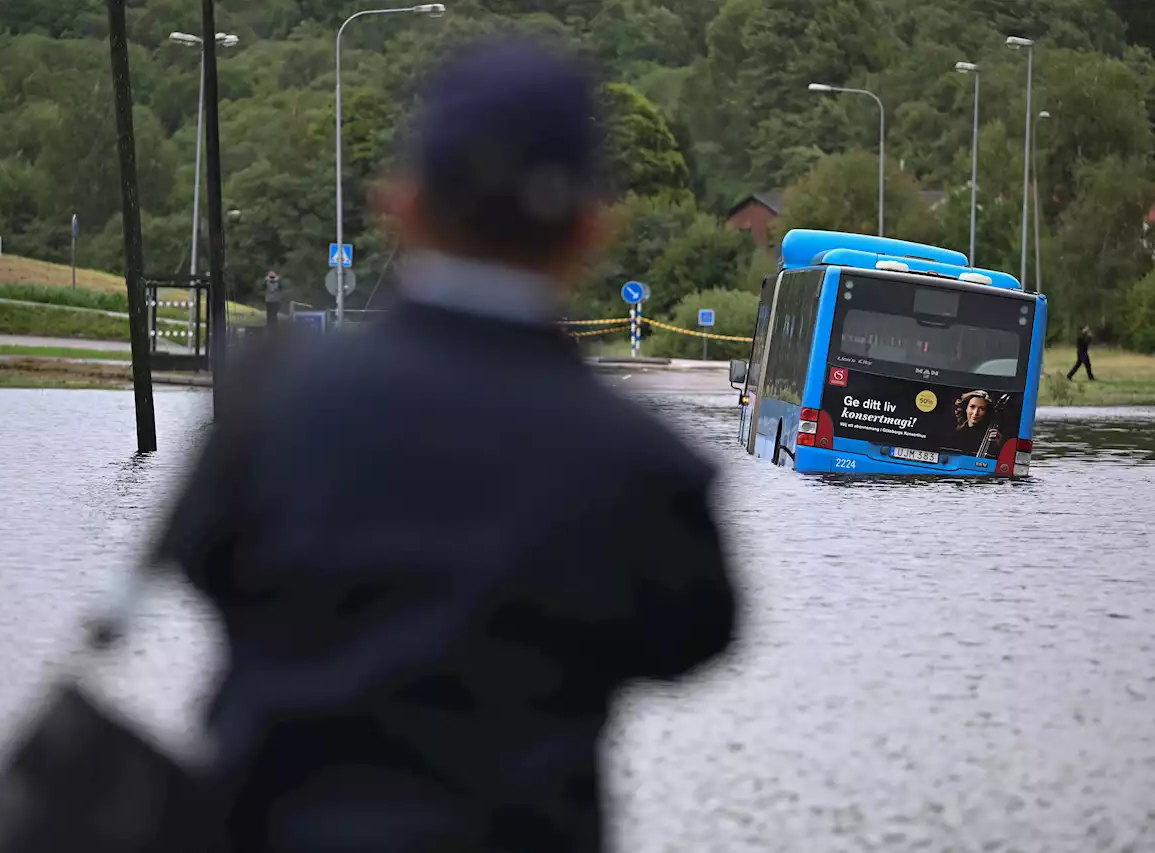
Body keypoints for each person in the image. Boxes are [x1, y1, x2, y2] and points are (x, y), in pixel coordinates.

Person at [150, 36, 738, 853]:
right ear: (592, 229)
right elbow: (693, 637)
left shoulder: (272, 390)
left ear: (403, 204)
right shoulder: (642, 463)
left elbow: (197, 562)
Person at [948, 389, 1001, 457]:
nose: (975, 413)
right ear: (966, 408)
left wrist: (999, 443)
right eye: (972, 407)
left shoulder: (990, 435)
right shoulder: (956, 432)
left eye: (981, 408)